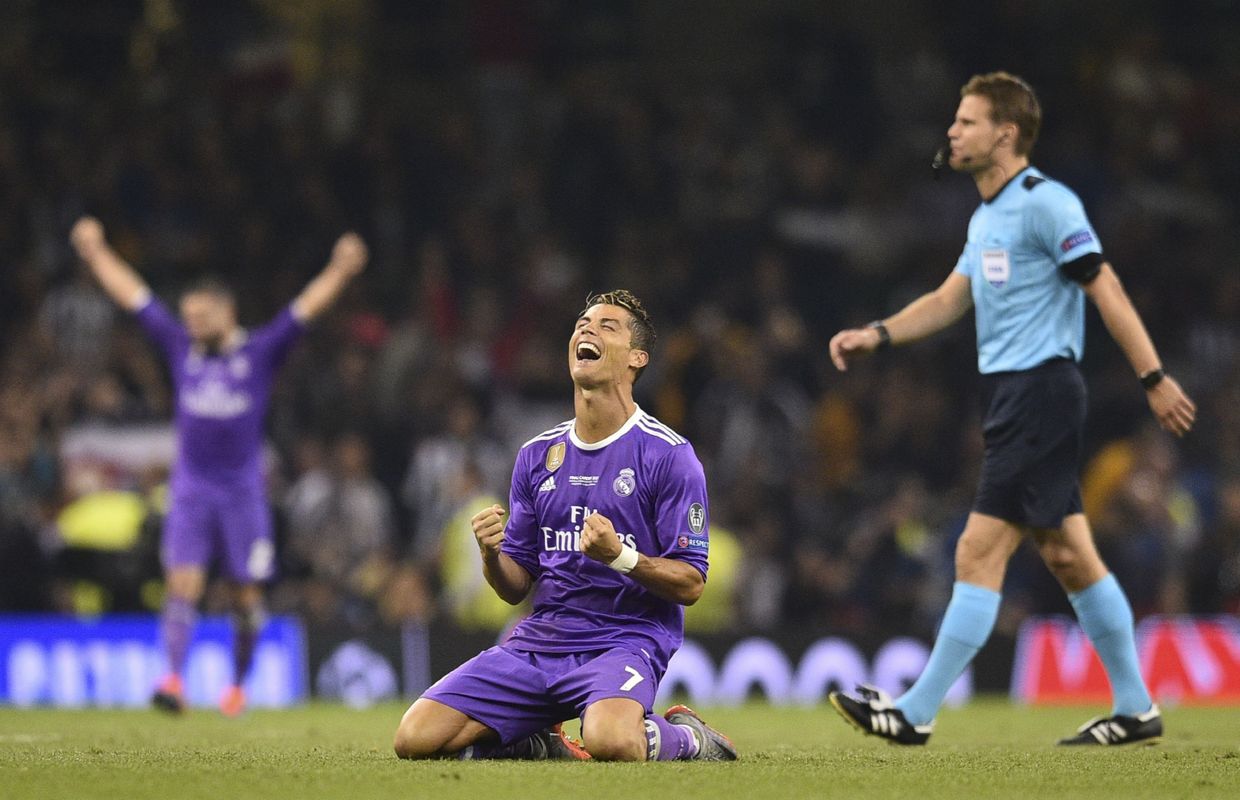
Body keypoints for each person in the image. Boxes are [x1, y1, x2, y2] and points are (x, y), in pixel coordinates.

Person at [825, 72, 1196, 746]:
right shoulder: (988, 216)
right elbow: (947, 299)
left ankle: (914, 713)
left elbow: (1103, 285)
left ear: (1006, 132)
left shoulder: (1047, 203)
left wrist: (1154, 376)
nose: (952, 132)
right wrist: (877, 333)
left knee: (977, 549)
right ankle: (1137, 706)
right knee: (1069, 554)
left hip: (1041, 390)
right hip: (1014, 395)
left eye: (966, 121)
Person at [391, 290, 737, 762]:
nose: (587, 330)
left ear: (637, 359)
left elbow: (692, 583)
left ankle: (689, 738)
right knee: (415, 740)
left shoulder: (668, 455)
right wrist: (492, 556)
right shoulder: (537, 456)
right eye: (582, 324)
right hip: (542, 639)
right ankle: (536, 739)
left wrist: (621, 556)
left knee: (612, 742)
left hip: (625, 637)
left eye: (606, 326)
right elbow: (516, 589)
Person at [69, 216, 368, 715]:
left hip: (243, 494)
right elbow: (133, 294)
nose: (192, 324)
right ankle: (171, 681)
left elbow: (306, 308)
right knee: (181, 583)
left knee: (245, 598)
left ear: (226, 312)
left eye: (201, 316)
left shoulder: (259, 351)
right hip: (190, 488)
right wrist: (96, 250)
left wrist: (340, 268)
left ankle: (237, 686)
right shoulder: (179, 346)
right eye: (187, 317)